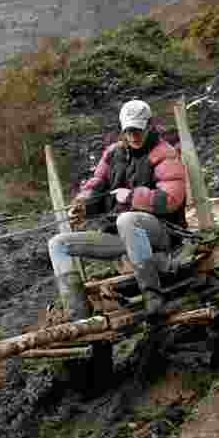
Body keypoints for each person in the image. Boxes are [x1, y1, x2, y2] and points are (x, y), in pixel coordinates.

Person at [48, 99, 187, 318]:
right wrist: (82, 206)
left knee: (127, 220)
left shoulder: (165, 154)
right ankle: (78, 316)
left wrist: (132, 196)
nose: (133, 135)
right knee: (57, 244)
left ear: (150, 125)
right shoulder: (113, 154)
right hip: (121, 236)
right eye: (128, 130)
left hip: (161, 232)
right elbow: (96, 185)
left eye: (137, 130)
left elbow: (170, 200)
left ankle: (153, 297)